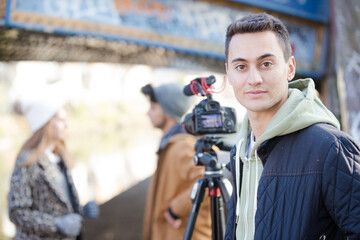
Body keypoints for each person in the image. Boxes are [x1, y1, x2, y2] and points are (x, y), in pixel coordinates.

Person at [224, 12, 360, 240]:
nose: (254, 78)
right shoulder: (240, 151)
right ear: (228, 72)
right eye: (241, 67)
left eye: (266, 64)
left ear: (290, 68)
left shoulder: (331, 148)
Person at [8, 93, 99, 240]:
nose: (66, 125)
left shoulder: (58, 154)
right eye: (62, 120)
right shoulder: (27, 161)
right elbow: (17, 212)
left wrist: (80, 211)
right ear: (47, 123)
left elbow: (58, 204)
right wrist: (56, 223)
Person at [141, 82, 211, 240]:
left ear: (167, 111)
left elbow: (208, 182)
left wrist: (175, 210)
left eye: (153, 108)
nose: (148, 113)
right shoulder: (171, 143)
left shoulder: (182, 146)